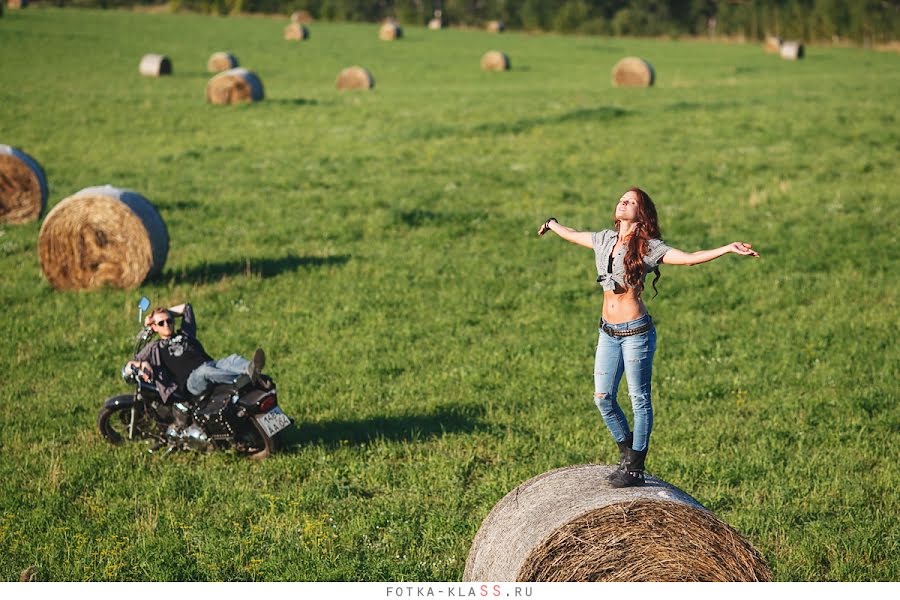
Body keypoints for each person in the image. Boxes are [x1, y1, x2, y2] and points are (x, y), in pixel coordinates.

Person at [538, 187, 759, 487]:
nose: (622, 202)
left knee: (639, 399)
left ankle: (635, 466)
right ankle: (628, 452)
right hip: (608, 332)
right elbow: (573, 233)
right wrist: (552, 224)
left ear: (641, 213)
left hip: (636, 334)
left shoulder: (648, 247)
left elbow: (689, 258)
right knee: (603, 398)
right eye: (621, 199)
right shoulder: (604, 239)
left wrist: (726, 248)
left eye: (630, 201)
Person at [126, 303, 267, 407]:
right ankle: (244, 381)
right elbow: (130, 365)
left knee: (232, 359)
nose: (166, 324)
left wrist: (166, 312)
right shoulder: (154, 347)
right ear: (154, 327)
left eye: (169, 320)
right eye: (161, 323)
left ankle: (252, 369)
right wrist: (142, 364)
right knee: (205, 372)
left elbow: (186, 308)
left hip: (209, 364)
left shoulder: (186, 334)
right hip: (190, 383)